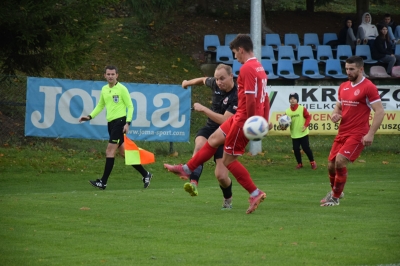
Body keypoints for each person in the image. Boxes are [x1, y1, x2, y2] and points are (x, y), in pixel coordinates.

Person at [164, 34, 270, 214]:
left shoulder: (246, 69)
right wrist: (264, 120)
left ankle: (255, 192)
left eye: (235, 53)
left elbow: (252, 100)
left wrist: (252, 123)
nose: (235, 57)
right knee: (212, 139)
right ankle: (187, 168)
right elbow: (265, 98)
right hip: (241, 119)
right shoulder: (259, 68)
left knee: (228, 160)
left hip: (243, 120)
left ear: (241, 50)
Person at [320, 56, 385, 207]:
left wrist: (370, 134)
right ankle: (337, 191)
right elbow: (339, 107)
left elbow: (380, 111)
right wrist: (335, 114)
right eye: (347, 69)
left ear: (361, 69)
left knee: (340, 161)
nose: (348, 72)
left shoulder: (369, 87)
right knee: (330, 165)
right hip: (343, 131)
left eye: (352, 69)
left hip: (358, 133)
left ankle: (334, 198)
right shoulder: (343, 86)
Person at [79, 65, 153, 190]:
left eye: (113, 74)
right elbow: (100, 105)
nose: (110, 76)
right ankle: (146, 174)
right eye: (108, 74)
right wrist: (90, 116)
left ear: (117, 75)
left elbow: (130, 106)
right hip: (111, 124)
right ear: (104, 75)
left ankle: (103, 182)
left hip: (120, 122)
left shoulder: (122, 89)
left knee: (109, 151)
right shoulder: (104, 89)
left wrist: (127, 123)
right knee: (124, 153)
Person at [181, 64, 238, 209]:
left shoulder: (237, 95)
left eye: (222, 79)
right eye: (217, 79)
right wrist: (187, 83)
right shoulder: (215, 83)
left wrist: (204, 109)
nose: (219, 82)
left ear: (231, 76)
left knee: (221, 176)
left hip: (225, 134)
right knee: (199, 145)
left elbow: (226, 121)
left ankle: (228, 199)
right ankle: (193, 182)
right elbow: (202, 80)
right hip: (210, 129)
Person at [280, 92, 317, 170]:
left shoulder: (302, 108)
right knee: (296, 149)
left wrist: (305, 125)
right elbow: (286, 123)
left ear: (297, 100)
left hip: (303, 133)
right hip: (294, 134)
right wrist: (283, 127)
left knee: (306, 148)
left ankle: (312, 162)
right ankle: (299, 164)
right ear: (289, 100)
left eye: (294, 98)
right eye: (291, 98)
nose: (292, 100)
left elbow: (308, 117)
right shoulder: (287, 111)